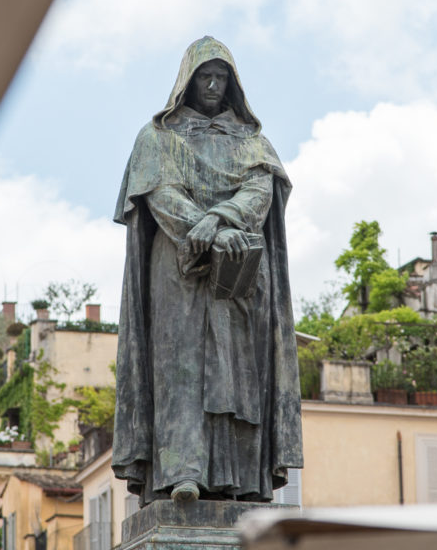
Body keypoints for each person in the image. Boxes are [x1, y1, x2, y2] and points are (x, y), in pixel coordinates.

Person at [112, 36, 302, 504]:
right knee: (181, 370)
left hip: (241, 270)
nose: (214, 84)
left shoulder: (253, 141)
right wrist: (204, 228)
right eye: (205, 76)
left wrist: (221, 221)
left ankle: (245, 481)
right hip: (179, 269)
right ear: (187, 81)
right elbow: (160, 194)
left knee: (241, 375)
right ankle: (181, 473)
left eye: (221, 77)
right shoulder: (157, 138)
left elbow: (260, 192)